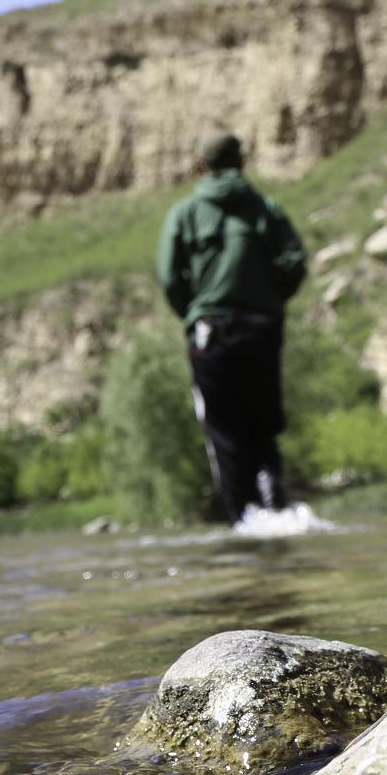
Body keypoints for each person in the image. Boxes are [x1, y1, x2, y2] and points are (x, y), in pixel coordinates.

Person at [155, 131, 309, 523]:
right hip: (262, 329)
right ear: (242, 163)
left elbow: (169, 277)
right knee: (262, 431)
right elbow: (295, 261)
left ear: (201, 168)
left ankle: (245, 533)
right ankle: (278, 518)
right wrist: (271, 302)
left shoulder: (185, 214)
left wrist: (193, 312)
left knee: (224, 437)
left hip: (211, 334)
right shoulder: (265, 209)